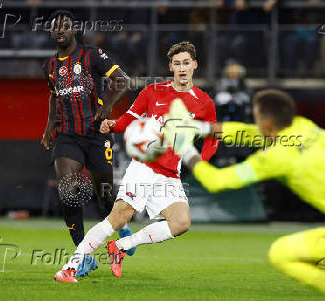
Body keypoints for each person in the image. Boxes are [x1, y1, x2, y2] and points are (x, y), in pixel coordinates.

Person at [163, 89, 325, 301]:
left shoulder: (276, 158)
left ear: (268, 123)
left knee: (282, 254)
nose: (255, 122)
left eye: (257, 117)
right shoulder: (305, 126)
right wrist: (199, 128)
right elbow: (250, 133)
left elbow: (217, 181)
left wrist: (187, 150)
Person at [54, 41, 219, 283]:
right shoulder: (153, 92)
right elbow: (130, 116)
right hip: (144, 167)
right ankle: (70, 266)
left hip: (170, 174)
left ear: (195, 65)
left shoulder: (203, 102)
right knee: (119, 217)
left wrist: (203, 162)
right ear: (171, 67)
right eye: (177, 64)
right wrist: (113, 124)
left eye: (186, 63)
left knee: (181, 221)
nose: (182, 68)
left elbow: (213, 138)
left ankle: (121, 246)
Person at [41, 10, 135, 277]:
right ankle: (82, 256)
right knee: (68, 192)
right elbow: (53, 98)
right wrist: (49, 129)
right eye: (55, 26)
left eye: (66, 26)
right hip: (67, 136)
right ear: (51, 32)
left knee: (104, 194)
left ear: (74, 30)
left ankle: (121, 225)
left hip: (96, 134)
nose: (60, 30)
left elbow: (123, 81)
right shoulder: (50, 66)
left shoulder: (92, 54)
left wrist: (106, 107)